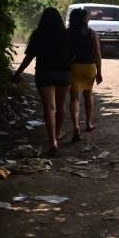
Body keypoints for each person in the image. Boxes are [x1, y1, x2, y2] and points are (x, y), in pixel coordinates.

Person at [12, 8, 70, 156]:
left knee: (49, 108)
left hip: (44, 72)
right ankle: (58, 133)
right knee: (61, 105)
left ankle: (53, 142)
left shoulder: (38, 34)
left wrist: (18, 73)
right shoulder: (65, 34)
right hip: (64, 72)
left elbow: (29, 57)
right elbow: (73, 53)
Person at [67, 8, 102, 142]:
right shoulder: (92, 34)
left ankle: (76, 126)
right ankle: (88, 123)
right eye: (87, 17)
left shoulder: (67, 33)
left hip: (73, 67)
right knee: (88, 95)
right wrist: (99, 72)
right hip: (89, 68)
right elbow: (98, 54)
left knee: (75, 99)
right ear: (84, 19)